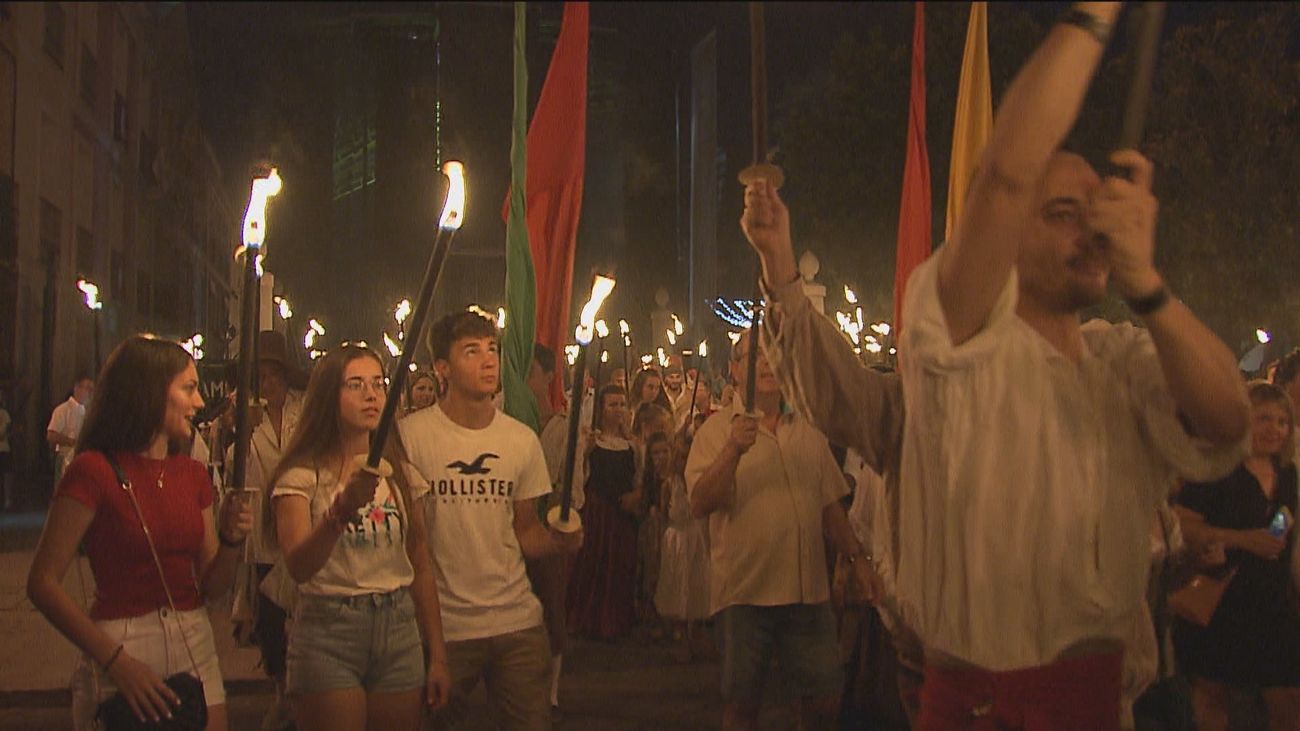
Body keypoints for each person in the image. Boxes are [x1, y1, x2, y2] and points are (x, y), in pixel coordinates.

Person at [742, 4, 1251, 726]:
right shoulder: (954, 354)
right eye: (1063, 213)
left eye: (1099, 214)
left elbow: (1228, 418)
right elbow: (1007, 175)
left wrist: (1147, 284)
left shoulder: (1123, 359)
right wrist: (1095, 14)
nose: (1092, 232)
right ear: (1004, 235)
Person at [26, 335, 253, 731]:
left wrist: (232, 540)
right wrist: (115, 661)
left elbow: (212, 586)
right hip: (122, 639)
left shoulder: (192, 474)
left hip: (192, 636)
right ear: (149, 392)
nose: (200, 402)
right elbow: (42, 583)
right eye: (188, 388)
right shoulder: (93, 471)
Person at [399, 311, 581, 731]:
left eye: (492, 350)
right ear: (442, 368)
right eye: (471, 351)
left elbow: (525, 531)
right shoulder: (413, 437)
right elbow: (414, 544)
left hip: (516, 622)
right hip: (446, 627)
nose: (488, 361)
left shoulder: (520, 440)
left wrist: (558, 541)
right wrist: (433, 643)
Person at [686, 330, 874, 730]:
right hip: (744, 594)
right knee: (743, 706)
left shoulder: (808, 428)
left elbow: (829, 504)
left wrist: (856, 558)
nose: (767, 363)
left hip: (807, 594)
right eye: (754, 355)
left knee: (824, 698)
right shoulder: (715, 432)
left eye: (774, 353)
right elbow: (700, 502)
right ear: (735, 370)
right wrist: (733, 450)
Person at [268, 343, 450, 730]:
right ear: (328, 396)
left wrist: (437, 654)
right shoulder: (301, 477)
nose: (371, 394)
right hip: (329, 628)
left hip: (397, 626)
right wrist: (340, 511)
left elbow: (420, 562)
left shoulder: (401, 475)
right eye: (355, 385)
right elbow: (299, 565)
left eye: (378, 384)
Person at [1173, 381, 1300, 730]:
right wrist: (1242, 540)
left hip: (1272, 600)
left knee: (1288, 697)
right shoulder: (1217, 469)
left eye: (1282, 421)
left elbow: (1283, 526)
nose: (1274, 429)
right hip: (1223, 596)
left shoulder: (1287, 472)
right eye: (1264, 419)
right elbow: (1184, 524)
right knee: (1213, 696)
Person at [234, 329, 308, 731]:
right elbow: (234, 469)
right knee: (270, 621)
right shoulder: (247, 418)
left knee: (305, 614)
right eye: (261, 376)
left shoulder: (305, 410)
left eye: (273, 374)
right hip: (264, 530)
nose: (268, 383)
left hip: (300, 521)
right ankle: (281, 692)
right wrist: (238, 429)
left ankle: (305, 693)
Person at [567, 385, 641, 641]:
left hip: (622, 514)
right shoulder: (592, 441)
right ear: (602, 409)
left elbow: (639, 478)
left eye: (622, 404)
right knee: (594, 565)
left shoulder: (632, 445)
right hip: (598, 512)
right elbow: (579, 476)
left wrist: (636, 496)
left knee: (619, 567)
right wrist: (585, 452)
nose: (618, 410)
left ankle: (616, 620)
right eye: (613, 405)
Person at [654, 429, 710, 662]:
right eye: (681, 457)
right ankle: (680, 635)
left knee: (695, 586)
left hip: (695, 537)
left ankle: (694, 633)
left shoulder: (700, 482)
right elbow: (664, 513)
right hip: (677, 538)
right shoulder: (670, 484)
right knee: (677, 585)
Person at [47, 375, 94, 486]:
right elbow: (51, 435)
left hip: (86, 458)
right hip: (66, 457)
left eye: (92, 389)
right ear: (77, 388)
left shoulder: (90, 412)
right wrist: (73, 442)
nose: (90, 393)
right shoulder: (62, 410)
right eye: (87, 388)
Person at [0, 390, 11, 510]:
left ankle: (7, 499)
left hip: (3, 449)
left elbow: (3, 432)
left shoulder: (4, 414)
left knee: (6, 474)